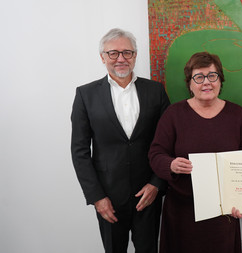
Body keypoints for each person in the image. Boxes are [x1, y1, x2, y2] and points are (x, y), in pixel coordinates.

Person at [71, 28, 170, 253]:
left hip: (148, 195)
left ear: (135, 56)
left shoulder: (156, 91)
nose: (121, 59)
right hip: (108, 199)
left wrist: (157, 184)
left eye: (127, 52)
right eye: (113, 53)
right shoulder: (86, 95)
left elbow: (168, 142)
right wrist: (97, 197)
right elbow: (79, 151)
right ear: (103, 57)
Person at [148, 52, 242, 253]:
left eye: (212, 76)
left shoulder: (238, 115)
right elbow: (156, 154)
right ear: (189, 83)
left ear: (220, 80)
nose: (206, 82)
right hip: (181, 213)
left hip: (223, 216)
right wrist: (170, 164)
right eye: (199, 77)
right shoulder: (173, 114)